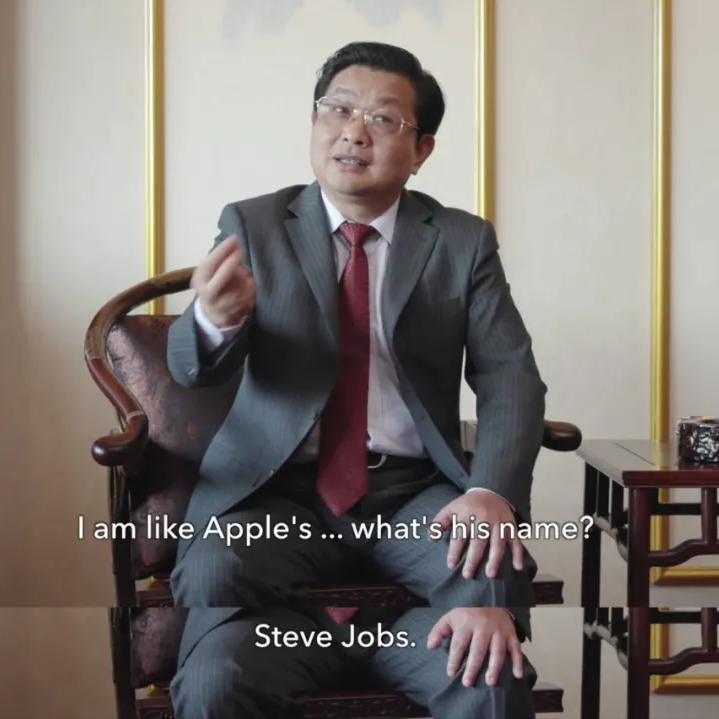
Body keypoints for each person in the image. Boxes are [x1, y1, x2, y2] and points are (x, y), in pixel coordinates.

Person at [164, 40, 547, 719]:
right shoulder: (254, 224)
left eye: (382, 118)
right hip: (279, 498)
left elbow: (510, 377)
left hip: (413, 496)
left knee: (489, 658)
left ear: (421, 149)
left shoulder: (461, 241)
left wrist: (490, 492)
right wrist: (214, 321)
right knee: (218, 608)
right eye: (337, 109)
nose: (353, 132)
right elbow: (192, 365)